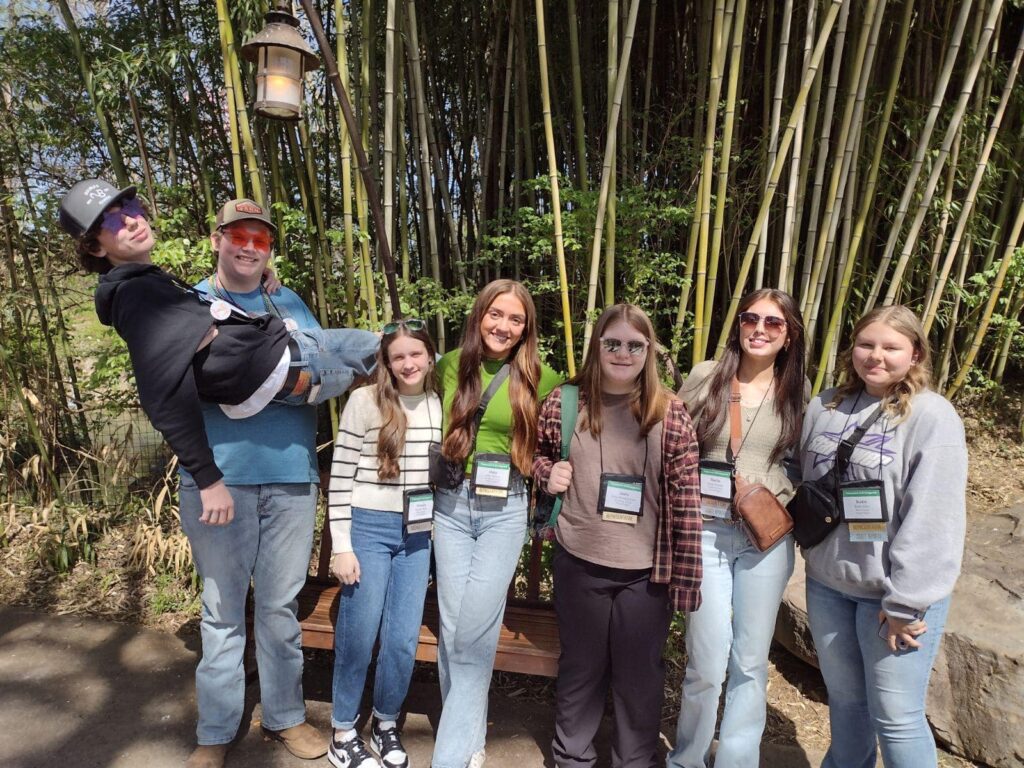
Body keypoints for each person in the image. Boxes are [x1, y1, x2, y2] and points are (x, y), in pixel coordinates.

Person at [57, 178, 379, 524]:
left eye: (133, 210)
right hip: (234, 470)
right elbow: (162, 394)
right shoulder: (143, 296)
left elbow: (213, 342)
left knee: (395, 357)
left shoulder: (168, 288)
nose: (133, 221)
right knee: (395, 347)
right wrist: (207, 478)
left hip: (293, 466)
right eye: (113, 221)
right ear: (95, 248)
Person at [185, 197, 345, 767]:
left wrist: (300, 384)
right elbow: (173, 388)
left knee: (279, 609)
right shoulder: (193, 305)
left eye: (260, 239)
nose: (249, 246)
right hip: (218, 483)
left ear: (268, 249)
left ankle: (285, 716)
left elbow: (331, 368)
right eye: (238, 236)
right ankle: (215, 730)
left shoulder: (289, 302)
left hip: (291, 481)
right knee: (223, 611)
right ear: (217, 239)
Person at [533, 303, 703, 768]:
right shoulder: (566, 401)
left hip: (645, 573)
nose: (623, 353)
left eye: (635, 345)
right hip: (579, 559)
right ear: (597, 346)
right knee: (580, 671)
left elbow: (687, 501)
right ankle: (572, 759)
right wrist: (548, 472)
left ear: (649, 351)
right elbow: (536, 455)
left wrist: (687, 580)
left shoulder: (670, 412)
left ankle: (634, 761)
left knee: (638, 677)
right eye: (613, 343)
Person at [799, 305, 967, 768]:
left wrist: (905, 603)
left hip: (891, 597)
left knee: (896, 716)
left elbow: (934, 517)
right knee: (847, 705)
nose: (876, 356)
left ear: (915, 354)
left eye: (891, 347)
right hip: (828, 585)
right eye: (866, 344)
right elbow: (802, 477)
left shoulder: (932, 416)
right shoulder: (825, 405)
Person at [668, 289, 807, 768]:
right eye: (751, 318)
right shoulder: (707, 375)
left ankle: (736, 759)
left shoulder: (798, 393)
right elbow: (671, 437)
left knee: (749, 661)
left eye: (774, 323)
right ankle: (686, 758)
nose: (760, 329)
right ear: (738, 324)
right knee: (705, 661)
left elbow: (806, 466)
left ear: (789, 335)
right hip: (704, 533)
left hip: (764, 540)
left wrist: (771, 490)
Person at [429, 279, 561, 768]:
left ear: (526, 329)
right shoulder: (446, 366)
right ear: (478, 315)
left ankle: (448, 755)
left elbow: (587, 414)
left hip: (505, 508)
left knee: (475, 629)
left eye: (516, 319)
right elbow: (389, 374)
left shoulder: (542, 379)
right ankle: (467, 741)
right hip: (450, 503)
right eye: (495, 314)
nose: (503, 326)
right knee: (453, 625)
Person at [325, 319, 442, 768]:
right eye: (398, 357)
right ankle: (342, 730)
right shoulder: (364, 401)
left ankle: (386, 721)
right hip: (368, 526)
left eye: (416, 354)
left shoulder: (437, 403)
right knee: (360, 633)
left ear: (430, 357)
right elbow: (340, 476)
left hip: (416, 534)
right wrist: (342, 544)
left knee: (401, 638)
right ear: (387, 363)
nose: (408, 363)